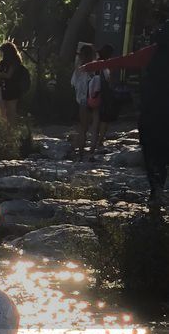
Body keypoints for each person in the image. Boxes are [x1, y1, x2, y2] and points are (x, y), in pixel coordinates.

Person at [81, 18, 169, 212]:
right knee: (162, 150)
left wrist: (92, 66)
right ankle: (159, 188)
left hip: (151, 110)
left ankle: (156, 189)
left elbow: (123, 61)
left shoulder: (152, 52)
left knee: (151, 150)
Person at [86, 45, 118, 159]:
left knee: (95, 120)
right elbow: (109, 81)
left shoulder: (94, 64)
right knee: (104, 119)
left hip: (93, 95)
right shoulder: (106, 66)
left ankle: (92, 144)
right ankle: (98, 141)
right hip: (104, 96)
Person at [68, 43, 98, 159]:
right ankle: (92, 150)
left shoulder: (79, 69)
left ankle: (81, 151)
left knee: (83, 127)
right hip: (96, 98)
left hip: (83, 100)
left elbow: (73, 83)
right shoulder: (97, 67)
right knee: (95, 125)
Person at [0, 40, 30, 124]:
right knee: (6, 111)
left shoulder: (14, 63)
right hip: (6, 89)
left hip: (13, 89)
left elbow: (8, 75)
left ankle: (13, 130)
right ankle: (9, 131)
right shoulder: (4, 63)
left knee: (11, 111)